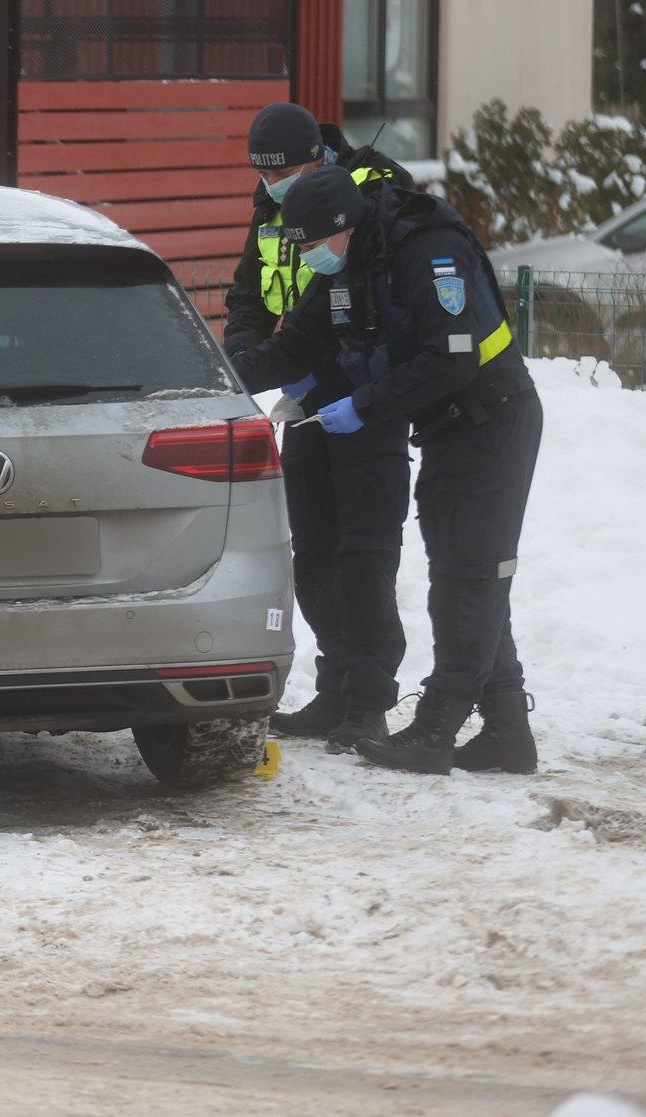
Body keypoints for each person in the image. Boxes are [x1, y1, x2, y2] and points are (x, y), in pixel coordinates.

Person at [232, 165, 543, 775]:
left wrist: (364, 406)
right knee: (468, 567)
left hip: (493, 418)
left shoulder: (429, 251)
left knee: (467, 575)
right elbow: (298, 343)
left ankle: (435, 728)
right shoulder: (352, 260)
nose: (311, 257)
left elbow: (451, 359)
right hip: (447, 425)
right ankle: (507, 728)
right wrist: (219, 376)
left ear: (344, 226)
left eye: (314, 244)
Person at [223, 102, 413, 751]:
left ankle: (368, 700)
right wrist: (243, 358)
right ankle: (335, 688)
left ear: (317, 159)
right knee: (314, 552)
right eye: (264, 173)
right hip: (299, 394)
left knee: (364, 555)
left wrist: (306, 364)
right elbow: (249, 297)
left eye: (283, 173)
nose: (273, 184)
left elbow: (370, 300)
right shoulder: (269, 210)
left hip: (364, 394)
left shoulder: (367, 195)